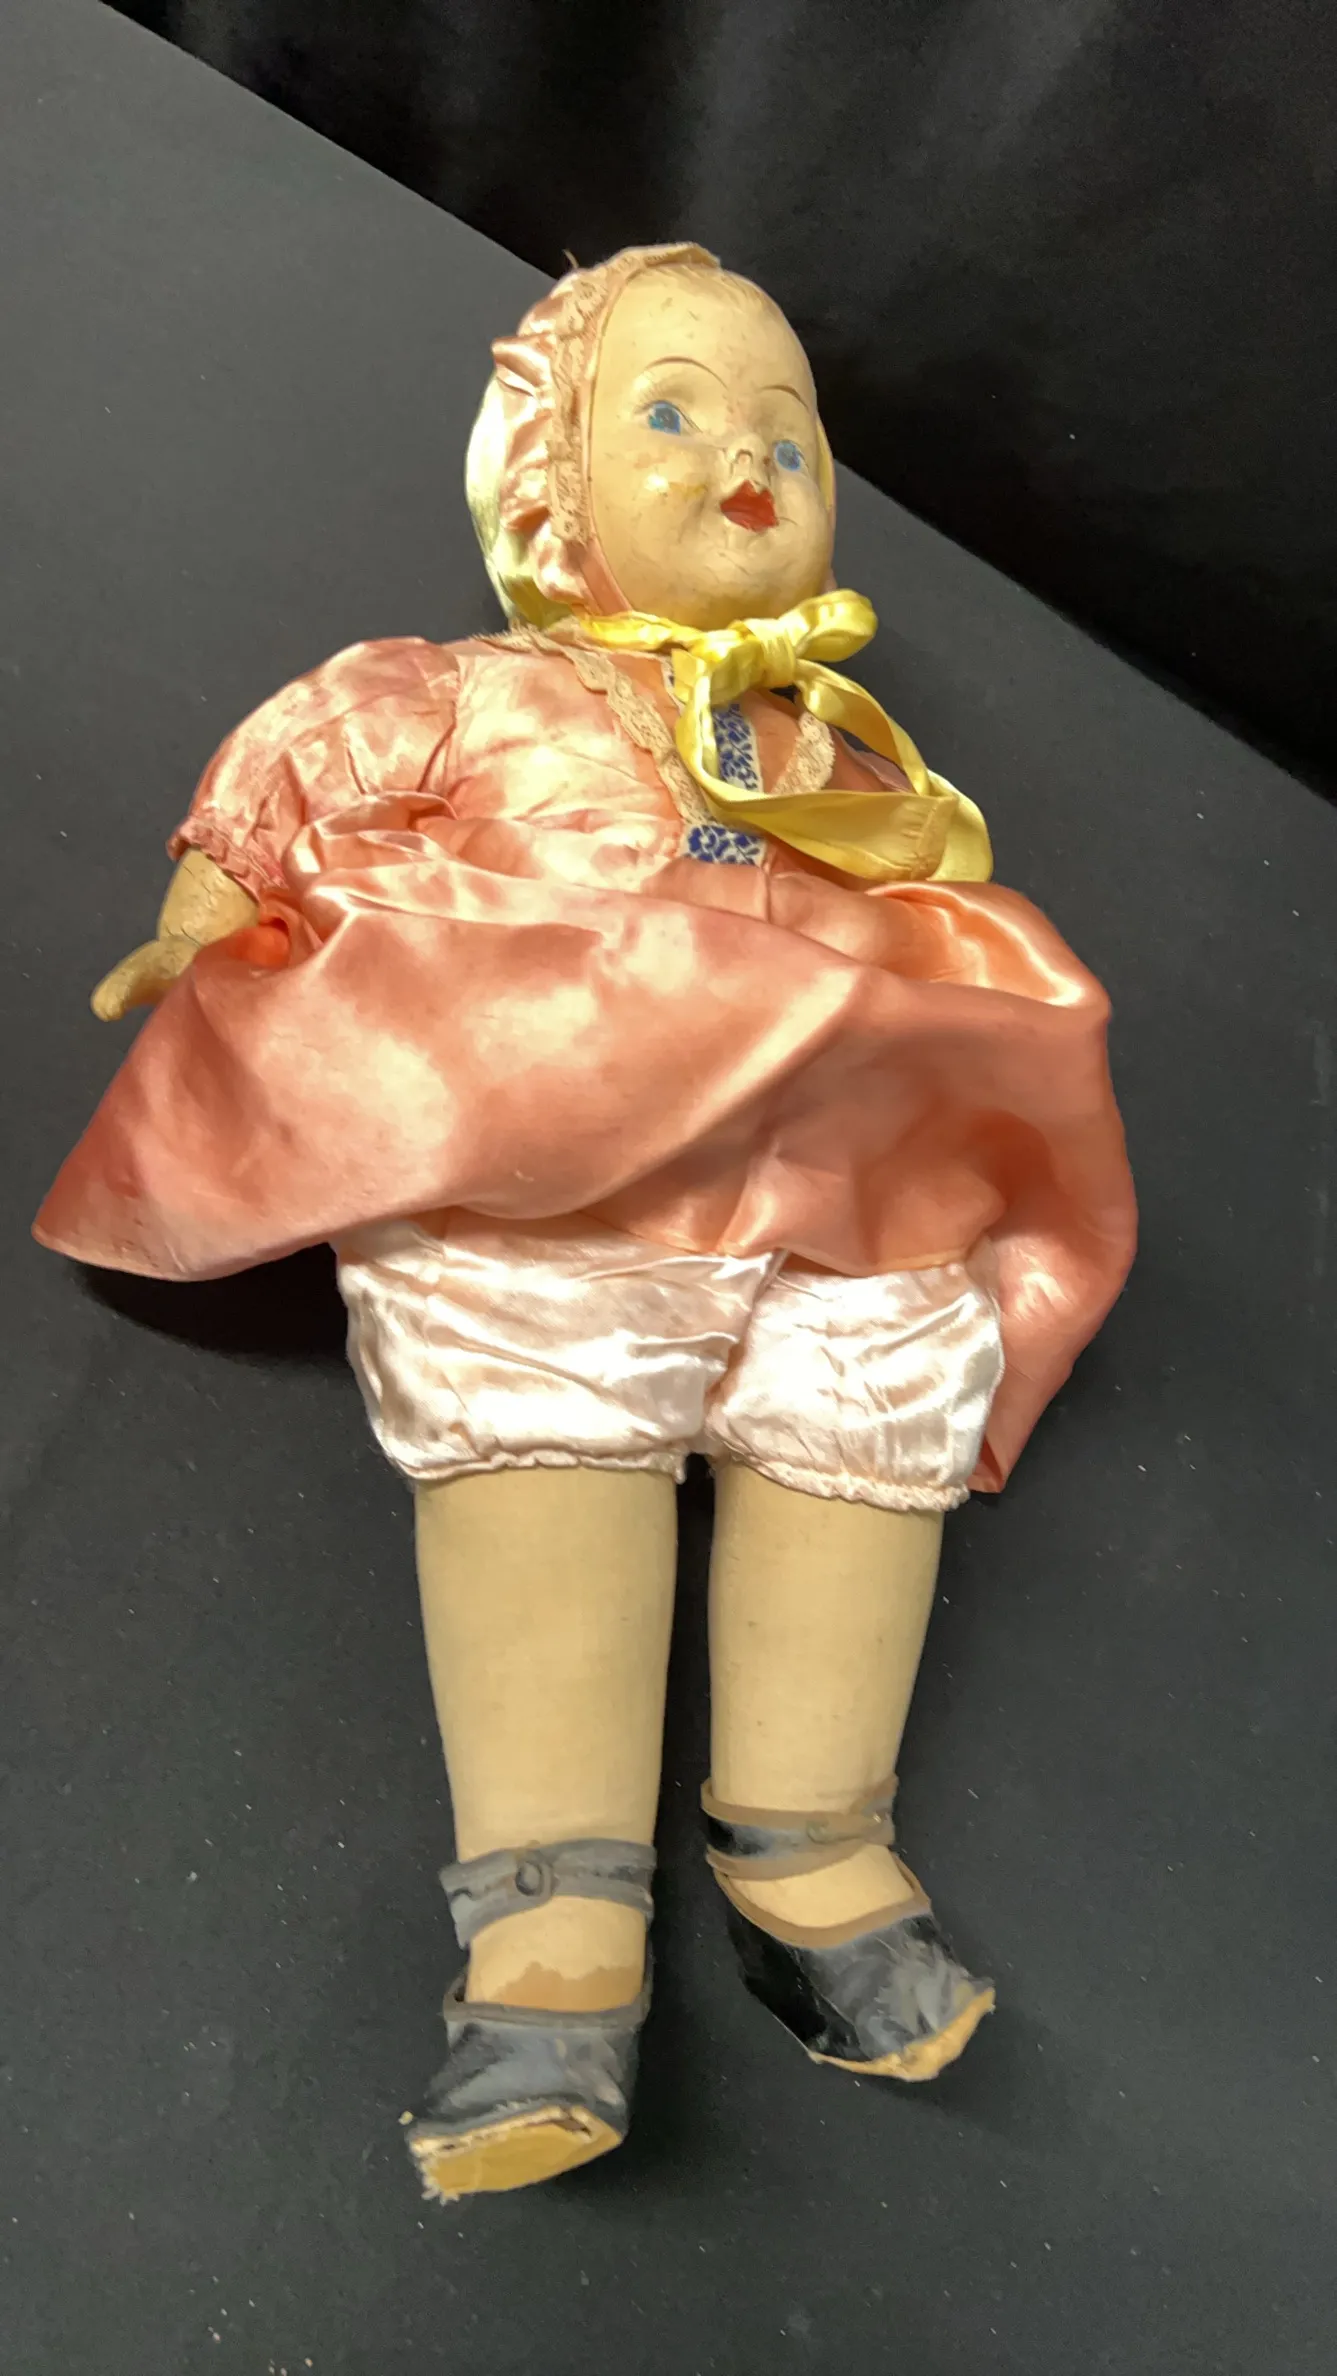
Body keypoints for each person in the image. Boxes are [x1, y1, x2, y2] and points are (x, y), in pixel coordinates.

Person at [35, 244, 1135, 2202]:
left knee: (866, 1431)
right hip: (555, 1174)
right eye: (674, 414)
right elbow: (300, 767)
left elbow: (927, 905)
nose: (745, 461)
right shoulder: (473, 693)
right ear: (544, 486)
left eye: (787, 434)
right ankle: (553, 1916)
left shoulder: (836, 747)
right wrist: (209, 909)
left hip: (839, 1181)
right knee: (544, 1446)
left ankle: (807, 1837)